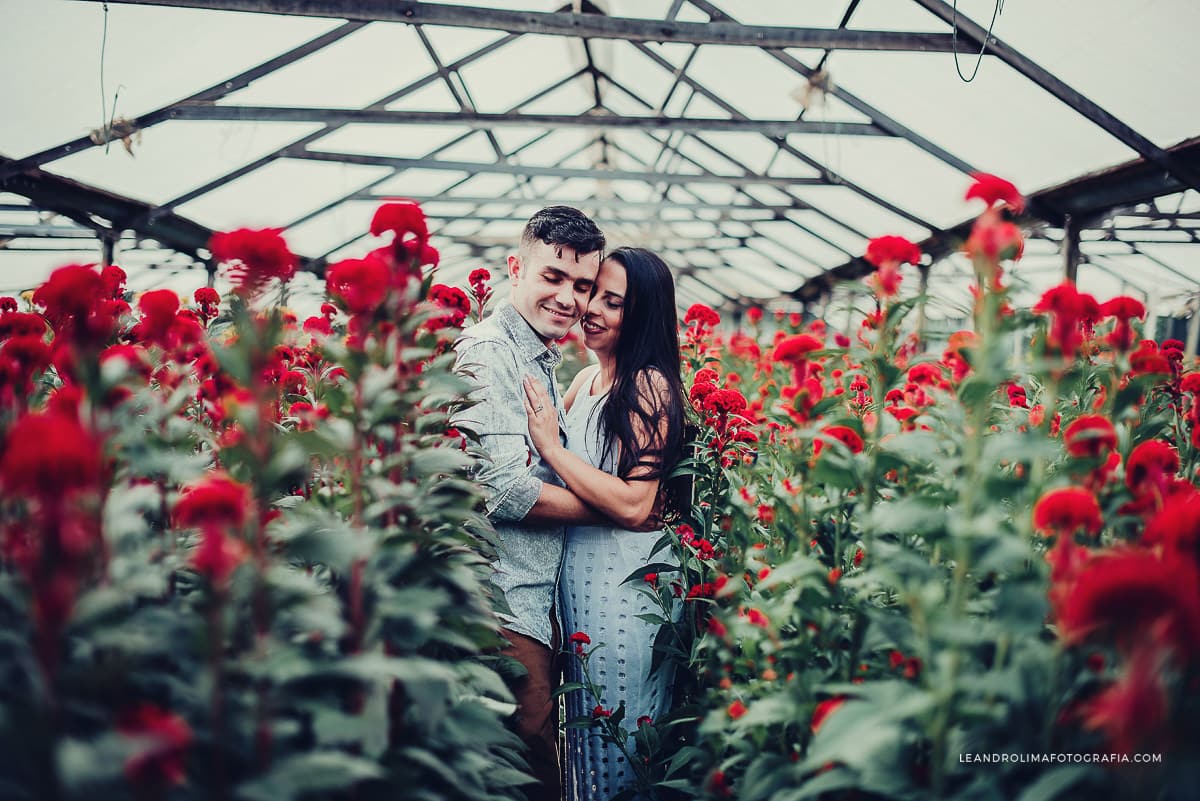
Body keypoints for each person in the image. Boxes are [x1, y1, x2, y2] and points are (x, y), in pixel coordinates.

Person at [451, 206, 608, 801]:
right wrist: (613, 508)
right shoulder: (493, 352)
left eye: (582, 285)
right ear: (515, 268)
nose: (569, 297)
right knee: (528, 757)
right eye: (553, 276)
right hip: (505, 602)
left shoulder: (538, 357)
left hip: (531, 599)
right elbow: (501, 487)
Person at [521, 247, 687, 801]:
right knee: (586, 741)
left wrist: (550, 446)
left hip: (626, 592)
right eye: (595, 293)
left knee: (622, 735)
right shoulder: (587, 381)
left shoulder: (649, 386)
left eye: (613, 302)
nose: (590, 308)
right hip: (581, 590)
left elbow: (638, 505)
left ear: (641, 315)